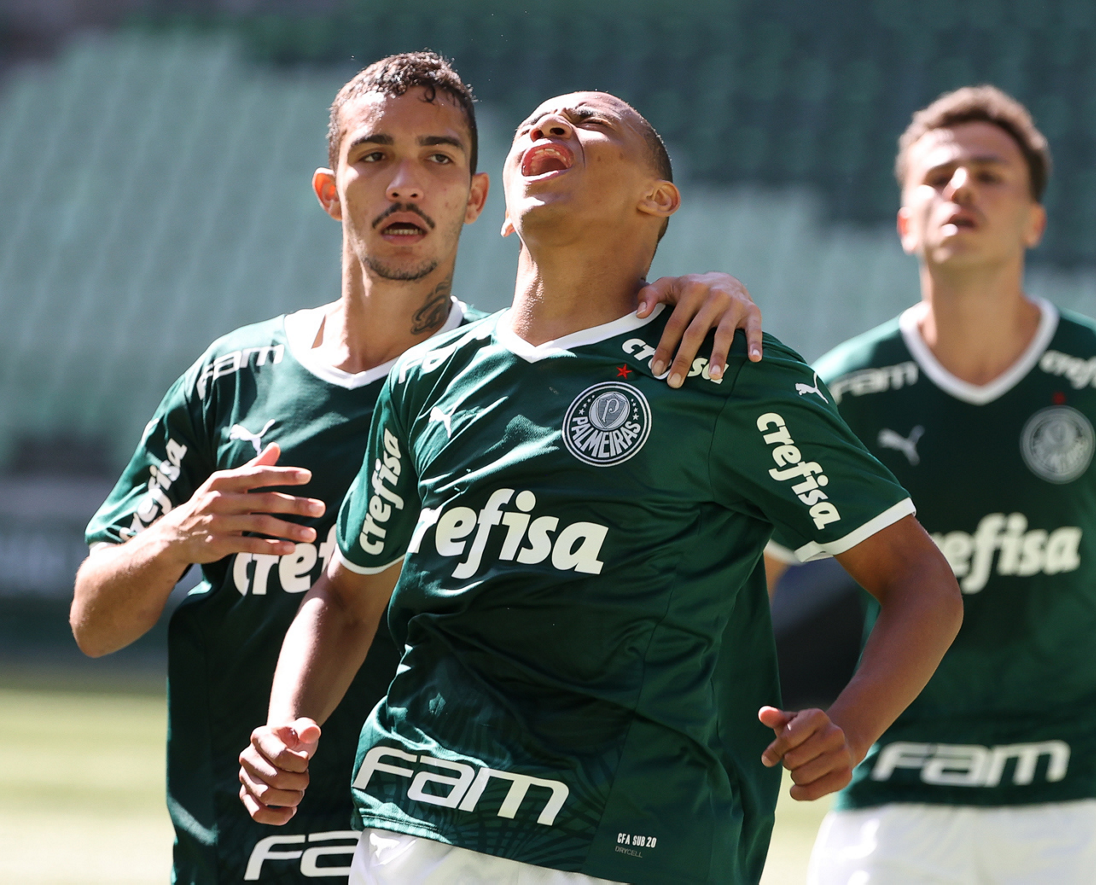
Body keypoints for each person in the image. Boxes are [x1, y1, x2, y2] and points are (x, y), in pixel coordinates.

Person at [70, 52, 770, 884]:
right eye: (374, 156)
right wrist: (180, 536)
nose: (406, 184)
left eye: (438, 158)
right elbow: (94, 621)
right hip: (244, 842)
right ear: (331, 190)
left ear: (478, 197)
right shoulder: (230, 380)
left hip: (448, 843)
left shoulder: (527, 391)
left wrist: (705, 295)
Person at [236, 90, 963, 885]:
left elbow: (920, 581)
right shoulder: (426, 380)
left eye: (590, 122)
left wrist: (852, 725)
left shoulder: (727, 372)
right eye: (532, 125)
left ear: (658, 200)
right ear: (505, 210)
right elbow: (346, 595)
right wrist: (285, 723)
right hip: (413, 826)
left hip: (627, 844)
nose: (550, 125)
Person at [765, 85, 1096, 884]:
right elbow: (754, 566)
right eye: (938, 177)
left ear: (1034, 221)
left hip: (1074, 795)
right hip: (890, 785)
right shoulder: (845, 389)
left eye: (990, 174)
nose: (961, 186)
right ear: (904, 223)